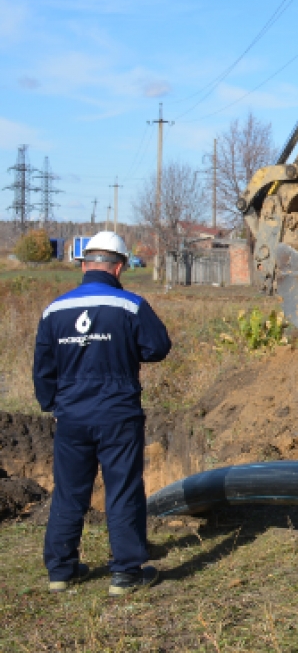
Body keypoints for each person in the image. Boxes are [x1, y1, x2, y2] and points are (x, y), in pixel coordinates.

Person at [34, 231, 171, 595]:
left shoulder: (54, 310)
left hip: (72, 418)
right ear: (120, 266)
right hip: (118, 416)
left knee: (69, 492)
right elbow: (158, 347)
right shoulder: (130, 305)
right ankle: (125, 574)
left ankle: (61, 572)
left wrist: (53, 405)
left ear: (83, 265)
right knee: (123, 490)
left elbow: (43, 369)